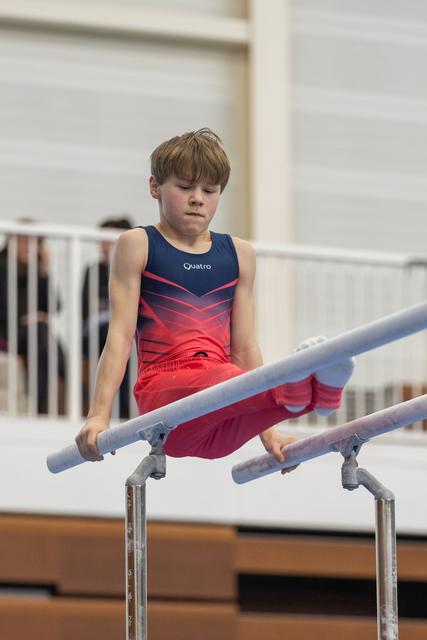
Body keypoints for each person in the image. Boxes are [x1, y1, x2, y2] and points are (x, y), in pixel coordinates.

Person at [75, 128, 353, 467]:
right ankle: (301, 383)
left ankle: (319, 395)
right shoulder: (138, 245)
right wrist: (97, 415)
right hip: (167, 401)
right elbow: (118, 336)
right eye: (185, 187)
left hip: (222, 417)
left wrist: (270, 434)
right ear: (154, 187)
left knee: (249, 385)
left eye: (209, 190)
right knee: (231, 381)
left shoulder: (239, 254)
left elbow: (245, 347)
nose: (197, 198)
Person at [0, 221, 66, 414]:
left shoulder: (35, 271)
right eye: (23, 241)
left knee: (42, 340)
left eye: (33, 242)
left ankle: (41, 408)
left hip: (31, 335)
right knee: (42, 333)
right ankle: (40, 409)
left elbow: (54, 306)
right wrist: (26, 319)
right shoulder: (2, 267)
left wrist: (45, 271)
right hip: (6, 332)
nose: (28, 247)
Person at [81, 217, 133, 418]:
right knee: (111, 337)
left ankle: (125, 408)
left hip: (125, 330)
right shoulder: (94, 270)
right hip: (98, 330)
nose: (103, 247)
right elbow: (85, 307)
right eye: (101, 241)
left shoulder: (132, 268)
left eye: (108, 241)